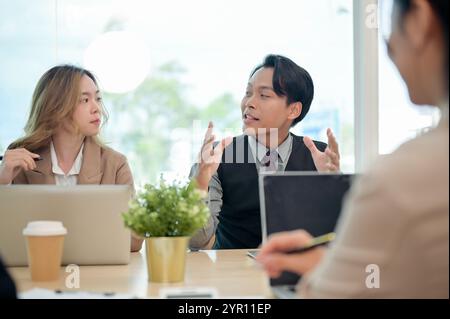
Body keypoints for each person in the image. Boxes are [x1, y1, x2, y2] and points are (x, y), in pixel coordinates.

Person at [257, 0, 449, 298]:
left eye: (390, 27)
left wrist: (323, 270)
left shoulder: (401, 178)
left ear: (419, 20)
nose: (388, 47)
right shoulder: (226, 155)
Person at [191, 55, 341, 250]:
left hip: (297, 272)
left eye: (264, 95)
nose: (249, 103)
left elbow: (335, 238)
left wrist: (333, 186)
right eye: (248, 92)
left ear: (293, 110)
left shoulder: (318, 156)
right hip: (233, 273)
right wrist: (200, 183)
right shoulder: (219, 155)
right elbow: (196, 241)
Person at [0, 65, 143, 252]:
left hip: (97, 275)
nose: (97, 108)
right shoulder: (19, 159)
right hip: (37, 272)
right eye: (85, 100)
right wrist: (2, 182)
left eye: (98, 99)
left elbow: (134, 240)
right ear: (55, 106)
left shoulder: (115, 164)